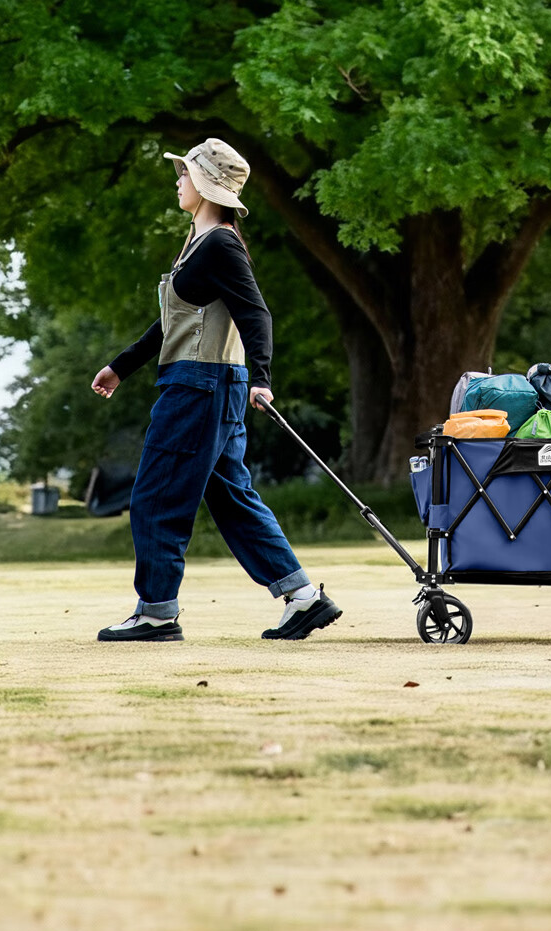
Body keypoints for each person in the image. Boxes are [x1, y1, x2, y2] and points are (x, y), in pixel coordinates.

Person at [91, 138, 341, 643]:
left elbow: (256, 314)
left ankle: (156, 613)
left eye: (184, 173)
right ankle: (303, 597)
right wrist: (121, 367)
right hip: (207, 385)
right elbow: (171, 322)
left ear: (206, 184)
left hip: (199, 387)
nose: (178, 180)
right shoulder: (201, 244)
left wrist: (263, 379)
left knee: (156, 497)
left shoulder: (220, 245)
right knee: (231, 498)